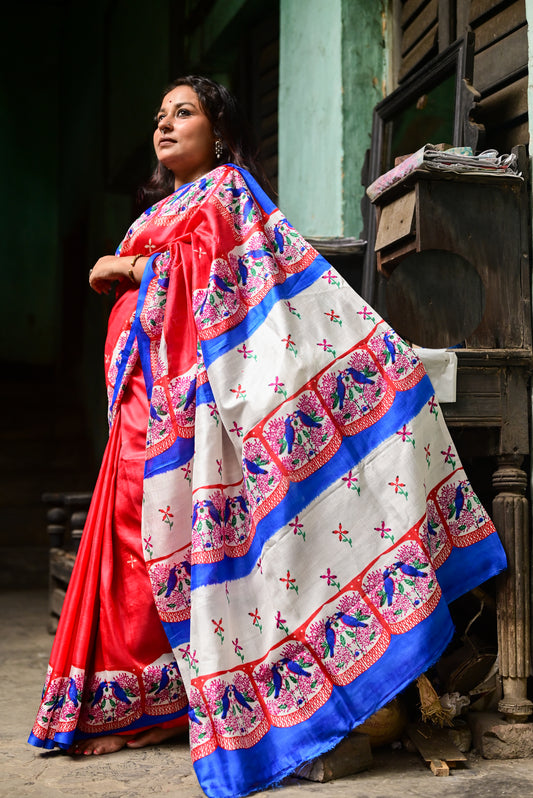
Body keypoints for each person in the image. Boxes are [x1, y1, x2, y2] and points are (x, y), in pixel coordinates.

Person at [29, 76, 507, 798]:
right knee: (138, 549)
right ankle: (151, 699)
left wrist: (128, 267)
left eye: (182, 113)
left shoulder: (227, 190)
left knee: (179, 549)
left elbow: (232, 277)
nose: (164, 127)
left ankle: (262, 697)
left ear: (218, 131)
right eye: (158, 116)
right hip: (142, 400)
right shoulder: (164, 206)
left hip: (193, 401)